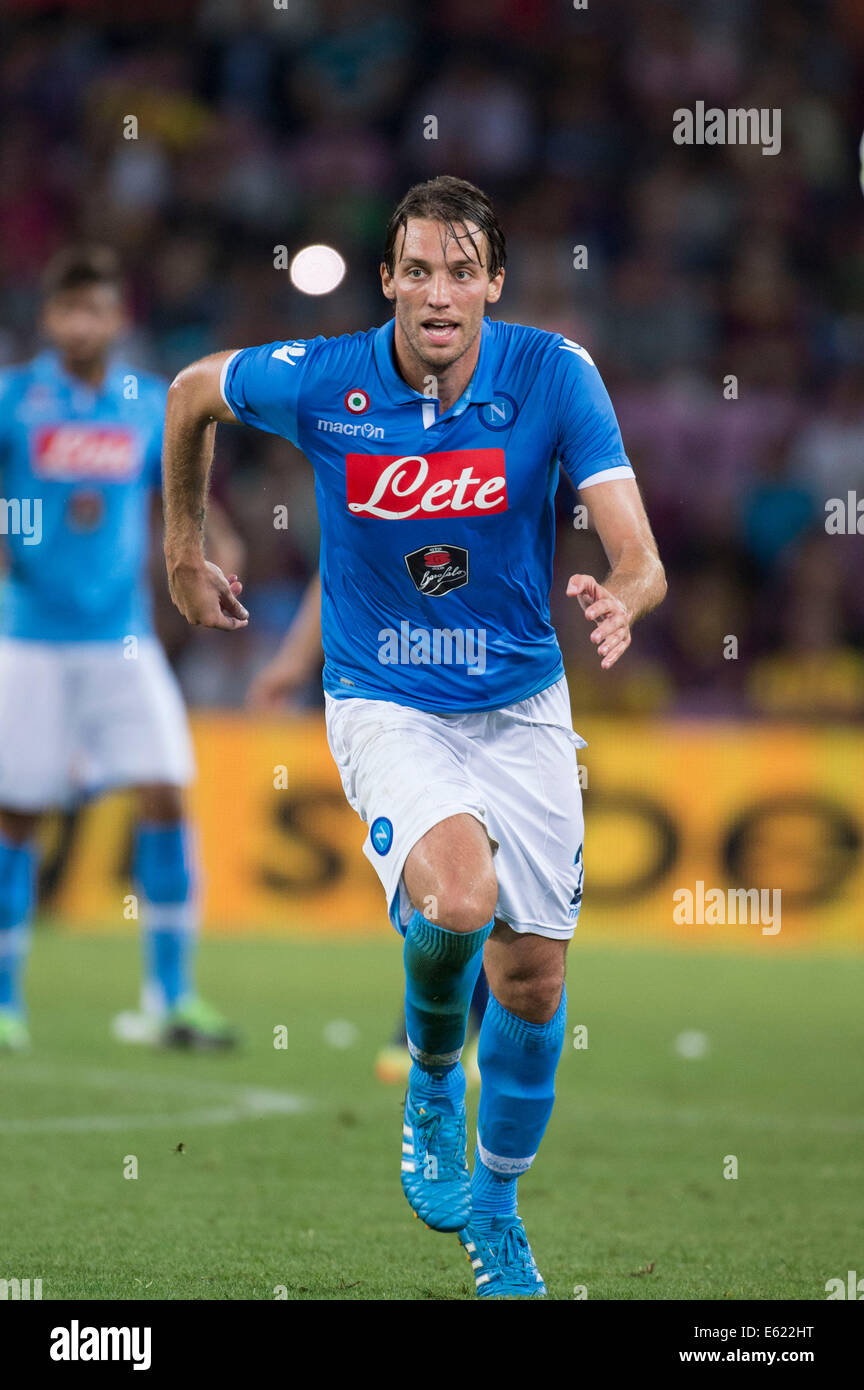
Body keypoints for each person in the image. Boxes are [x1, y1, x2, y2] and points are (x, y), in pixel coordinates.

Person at [161, 176, 667, 1297]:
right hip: (385, 696)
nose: (440, 293)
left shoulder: (553, 374)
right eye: (418, 270)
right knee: (459, 898)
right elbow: (191, 393)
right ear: (387, 279)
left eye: (462, 269)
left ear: (494, 280)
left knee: (533, 981)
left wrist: (625, 593)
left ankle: (496, 1209)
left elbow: (637, 548)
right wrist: (182, 552)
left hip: (524, 702)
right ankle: (435, 1070)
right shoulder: (326, 379)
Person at [0, 246, 238, 1051]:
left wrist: (215, 542)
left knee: (167, 788)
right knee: (18, 813)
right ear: (48, 319)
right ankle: (5, 1002)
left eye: (95, 309)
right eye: (68, 310)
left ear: (118, 317)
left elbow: (181, 486)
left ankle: (169, 999)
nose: (81, 323)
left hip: (123, 638)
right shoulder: (15, 399)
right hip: (30, 636)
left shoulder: (147, 402)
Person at [247, 570, 490, 1086]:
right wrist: (295, 658)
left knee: (493, 874)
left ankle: (472, 1023)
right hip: (394, 697)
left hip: (498, 687)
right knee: (448, 875)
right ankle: (432, 1035)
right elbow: (341, 556)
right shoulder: (379, 498)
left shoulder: (498, 500)